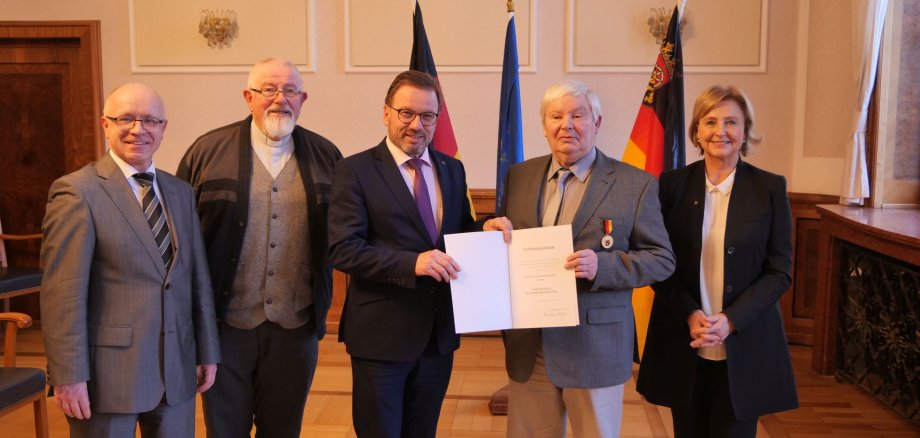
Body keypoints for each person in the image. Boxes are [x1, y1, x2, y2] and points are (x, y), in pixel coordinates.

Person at [328, 70, 511, 438]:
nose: (416, 124)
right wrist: (413, 263)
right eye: (406, 113)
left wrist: (484, 230)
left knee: (422, 431)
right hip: (381, 336)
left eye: (428, 115)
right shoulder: (355, 170)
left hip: (437, 335)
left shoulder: (451, 168)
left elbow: (456, 235)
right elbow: (343, 249)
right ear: (386, 113)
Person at [40, 83, 220, 437]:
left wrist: (207, 349)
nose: (138, 129)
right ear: (105, 124)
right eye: (126, 118)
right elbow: (64, 294)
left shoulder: (181, 192)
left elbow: (197, 279)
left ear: (164, 128)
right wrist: (68, 375)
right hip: (107, 378)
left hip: (177, 371)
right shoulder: (77, 191)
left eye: (150, 120)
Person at [176, 57, 343, 437]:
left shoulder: (327, 156)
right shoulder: (207, 151)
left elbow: (351, 229)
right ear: (248, 97)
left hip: (295, 327)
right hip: (225, 327)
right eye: (268, 89)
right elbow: (178, 239)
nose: (279, 99)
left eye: (289, 90)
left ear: (303, 99)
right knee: (225, 430)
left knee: (283, 429)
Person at [499, 80, 675, 437]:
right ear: (544, 125)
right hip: (531, 346)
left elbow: (661, 259)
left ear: (596, 123)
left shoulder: (634, 183)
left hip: (595, 348)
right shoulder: (519, 176)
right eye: (556, 116)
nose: (567, 124)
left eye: (578, 115)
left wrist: (603, 267)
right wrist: (491, 232)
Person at [636, 85, 798, 437]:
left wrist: (730, 320)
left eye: (731, 122)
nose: (720, 131)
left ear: (745, 131)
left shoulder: (769, 188)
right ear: (697, 130)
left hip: (745, 343)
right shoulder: (672, 185)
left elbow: (779, 271)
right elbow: (659, 262)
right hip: (684, 340)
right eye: (710, 121)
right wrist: (690, 313)